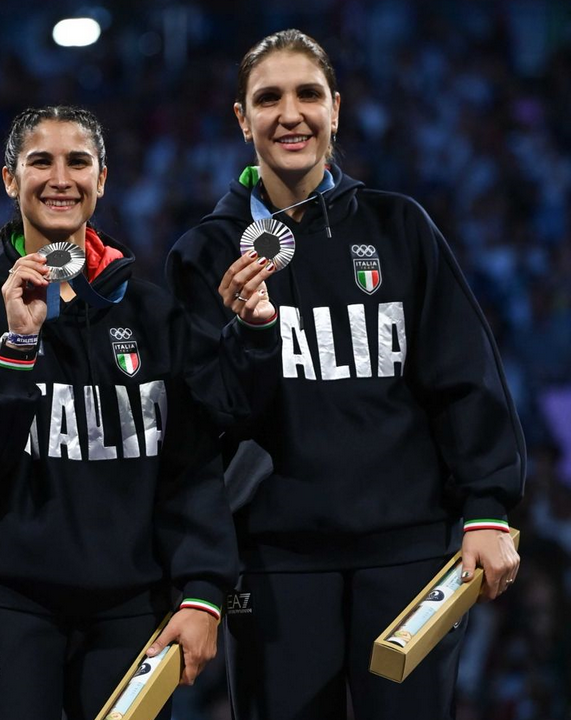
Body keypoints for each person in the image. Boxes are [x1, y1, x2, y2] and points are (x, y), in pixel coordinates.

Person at [167, 28, 525, 720]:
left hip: (410, 554)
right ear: (243, 121)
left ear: (336, 107)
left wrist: (487, 506)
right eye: (267, 99)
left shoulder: (401, 227)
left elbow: (463, 373)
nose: (290, 114)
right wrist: (254, 333)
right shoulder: (204, 256)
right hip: (274, 563)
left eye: (307, 94)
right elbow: (203, 425)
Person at [0, 106, 276, 720]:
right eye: (41, 162)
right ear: (10, 180)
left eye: (78, 162)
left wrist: (202, 591)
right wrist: (17, 346)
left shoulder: (151, 313)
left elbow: (190, 464)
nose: (61, 178)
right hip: (7, 600)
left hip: (129, 607)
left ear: (102, 178)